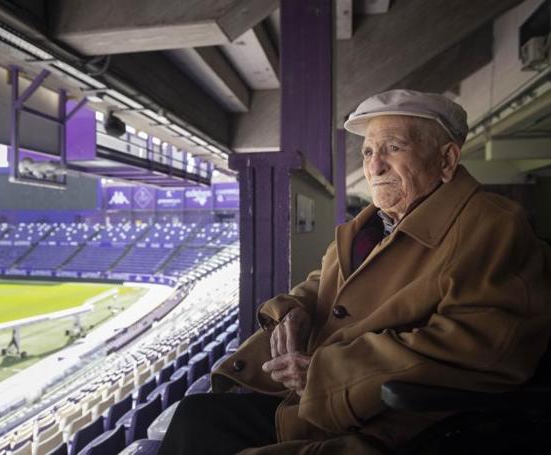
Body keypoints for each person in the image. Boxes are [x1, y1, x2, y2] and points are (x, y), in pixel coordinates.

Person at [158, 89, 551, 454]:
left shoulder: (492, 224)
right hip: (323, 403)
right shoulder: (372, 224)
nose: (375, 165)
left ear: (446, 160)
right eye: (367, 152)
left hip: (395, 424)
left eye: (393, 148)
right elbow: (322, 284)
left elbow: (480, 345)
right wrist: (292, 310)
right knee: (195, 416)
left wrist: (329, 374)